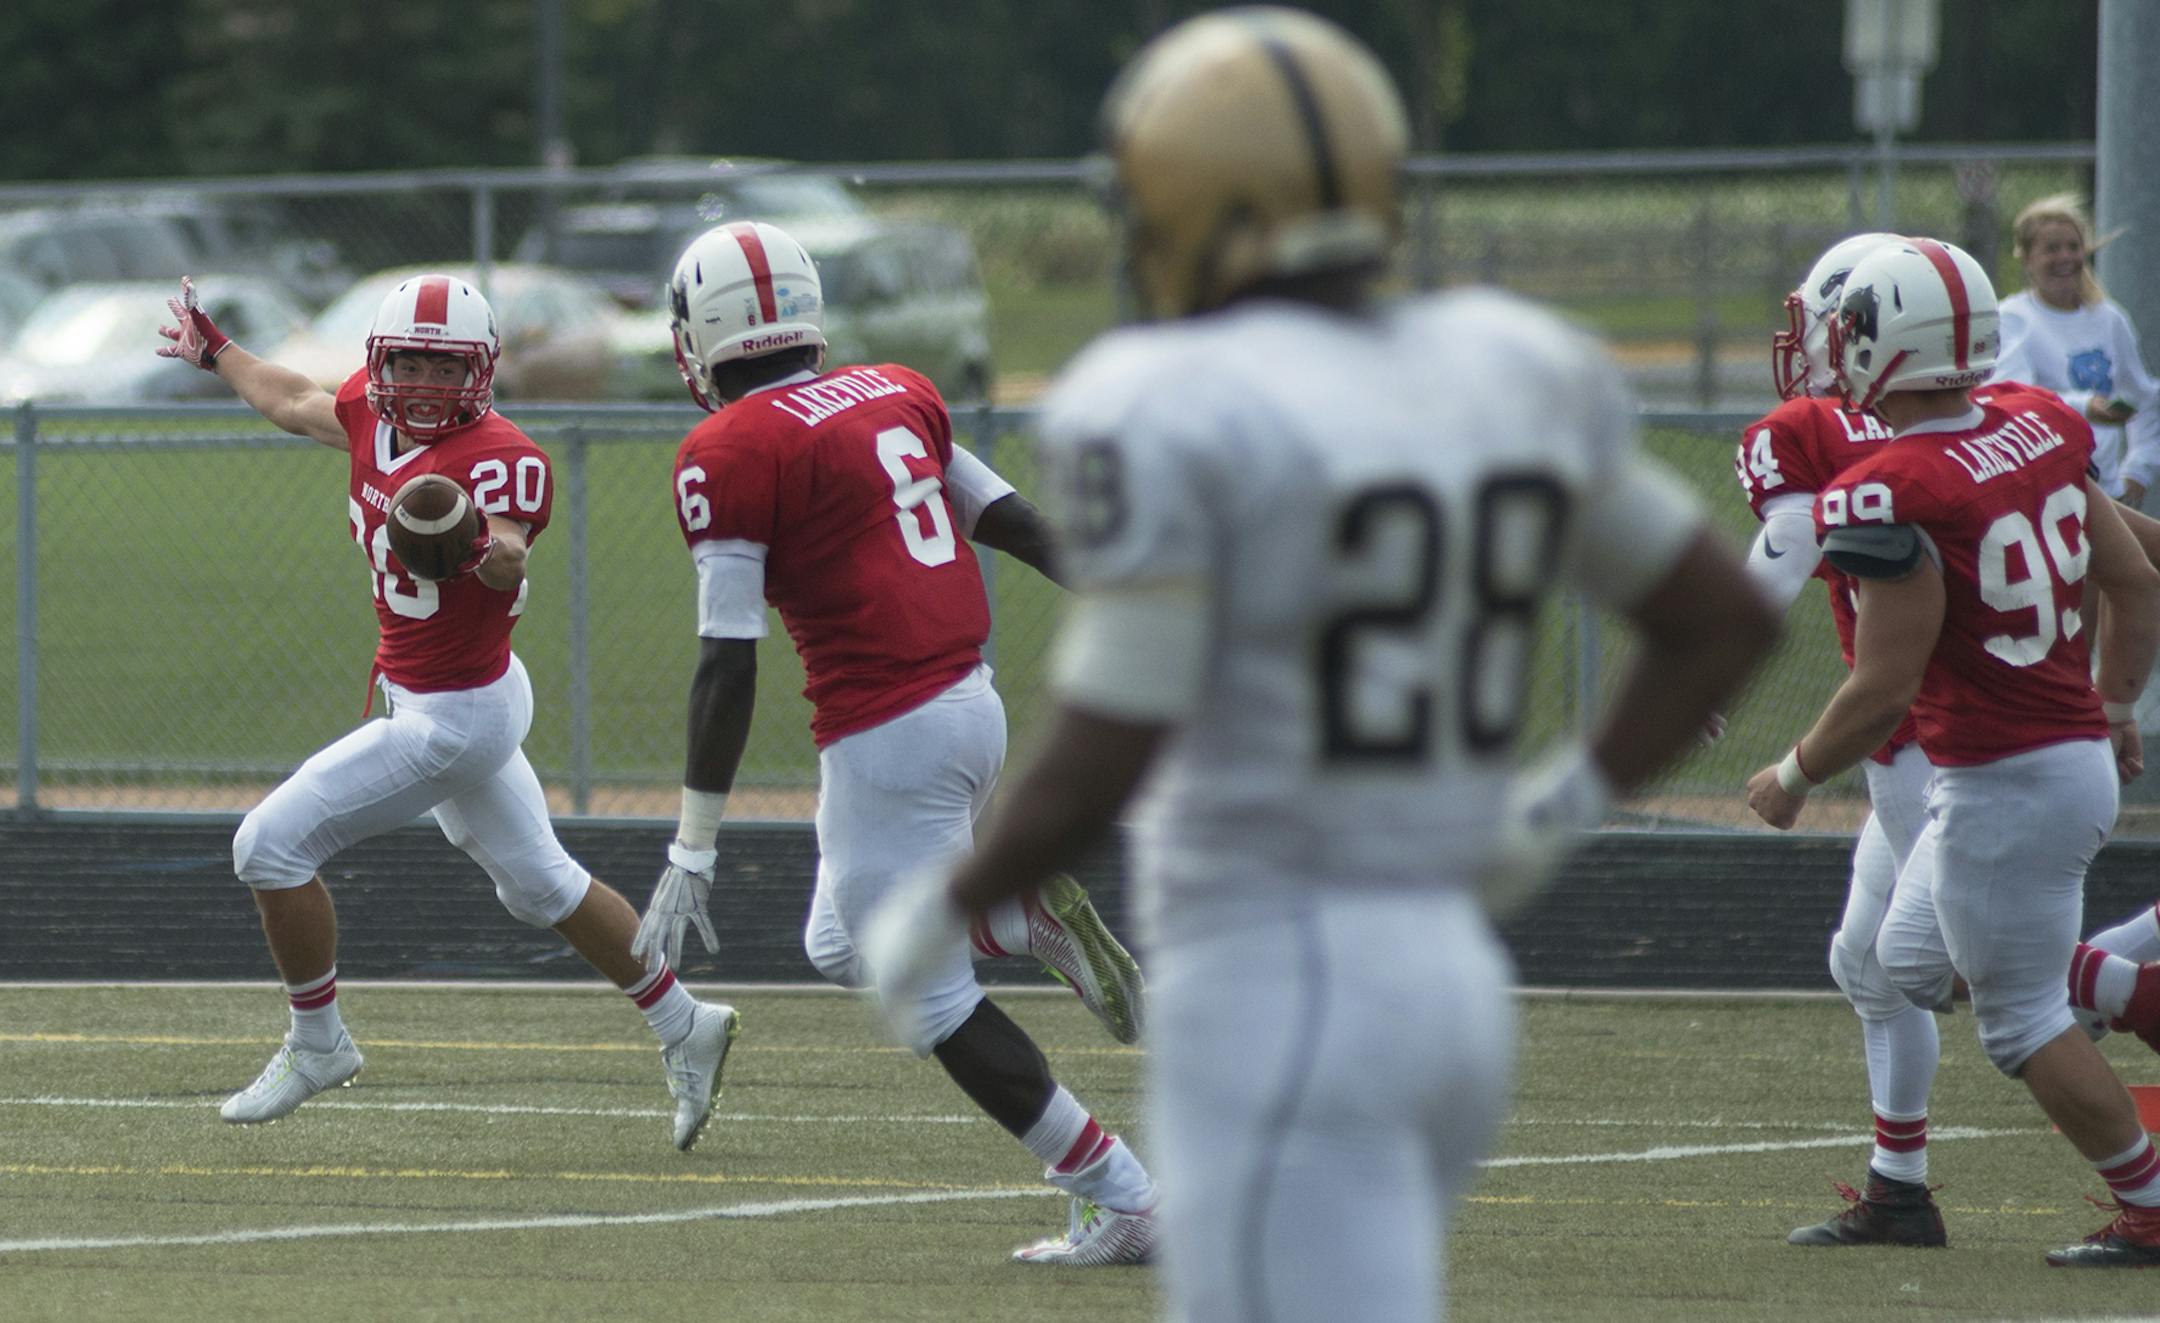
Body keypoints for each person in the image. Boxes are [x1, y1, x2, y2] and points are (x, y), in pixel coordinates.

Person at [857, 10, 1778, 1321]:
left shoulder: (1172, 392)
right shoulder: (1508, 360)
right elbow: (1724, 618)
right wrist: (1555, 805)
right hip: (1452, 974)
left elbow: (1121, 719)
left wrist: (957, 895)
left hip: (1276, 970)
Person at [629, 218, 1156, 1265]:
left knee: (924, 995)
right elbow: (1001, 516)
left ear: (705, 330)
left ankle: (1118, 1194)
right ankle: (1008, 914)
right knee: (837, 945)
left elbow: (728, 661)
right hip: (971, 702)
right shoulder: (891, 389)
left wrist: (693, 843)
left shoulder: (729, 448)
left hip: (886, 733)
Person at [155, 273, 739, 1149]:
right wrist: (217, 351)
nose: (425, 381)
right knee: (539, 882)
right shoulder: (368, 412)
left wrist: (477, 546)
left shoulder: (501, 457)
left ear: (482, 370)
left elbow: (508, 552)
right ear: (383, 362)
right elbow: (297, 400)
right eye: (411, 361)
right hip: (457, 692)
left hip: (453, 716)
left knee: (267, 846)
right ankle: (683, 1020)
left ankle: (320, 1043)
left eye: (444, 364)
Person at [1745, 237, 2160, 1268]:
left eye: (1846, 330)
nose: (1830, 348)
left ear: (1893, 342)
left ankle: (2151, 1185)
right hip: (2068, 752)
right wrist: (2114, 704)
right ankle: (2118, 990)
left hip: (1998, 774)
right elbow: (2137, 576)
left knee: (2010, 1014)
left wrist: (1794, 772)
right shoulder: (2041, 422)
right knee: (1894, 959)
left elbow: (1885, 681)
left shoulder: (1889, 488)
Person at [1742, 232, 1952, 1246]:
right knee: (1868, 959)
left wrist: (1709, 668)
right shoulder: (1996, 421)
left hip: (1950, 743)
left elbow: (1785, 545)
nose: (1815, 345)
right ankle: (1898, 1188)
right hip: (1933, 735)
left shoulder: (1811, 431)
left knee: (1996, 975)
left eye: (1833, 323)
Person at [1991, 193, 2160, 508]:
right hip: (2044, 497)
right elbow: (2011, 400)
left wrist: (2139, 469)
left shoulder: (2109, 318)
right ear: (2026, 258)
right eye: (2051, 249)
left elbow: (2145, 397)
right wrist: (2086, 408)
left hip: (2107, 495)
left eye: (2073, 246)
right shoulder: (2012, 318)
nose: (2065, 257)